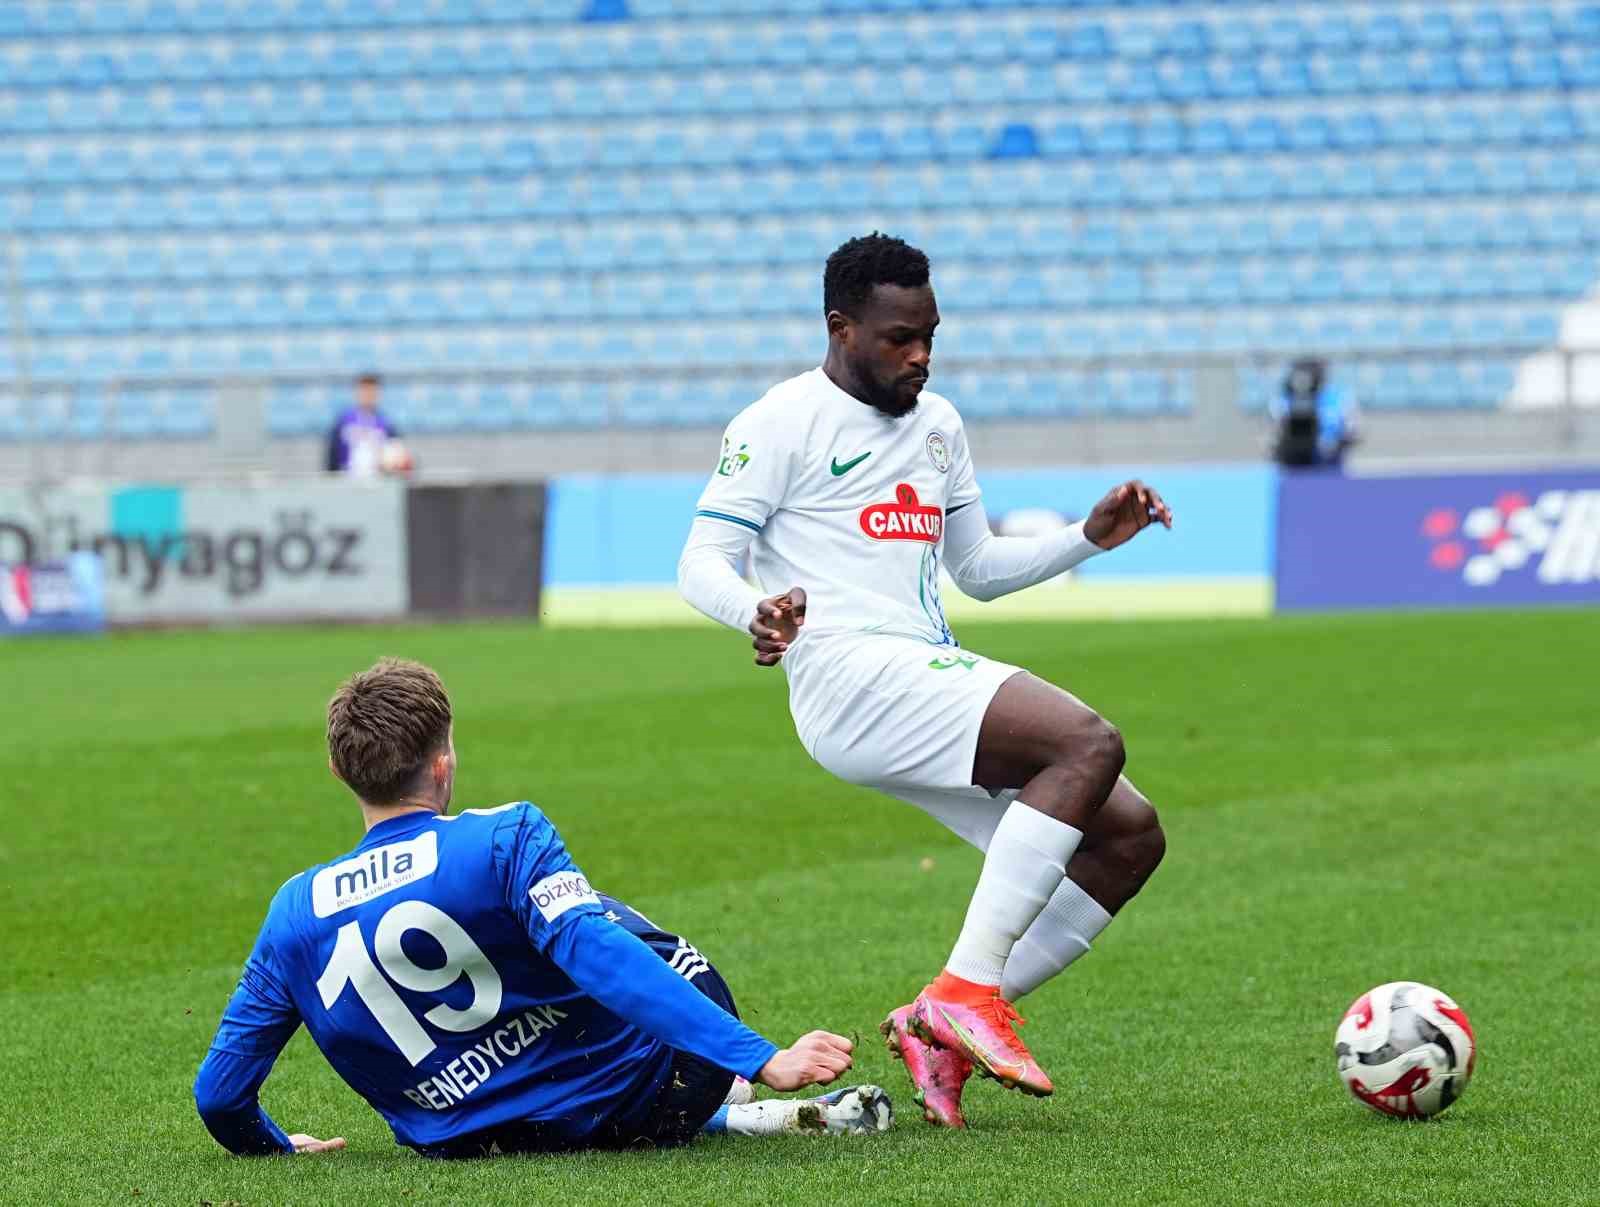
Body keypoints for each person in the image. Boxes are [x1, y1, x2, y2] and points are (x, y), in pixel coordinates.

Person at [676, 233, 1172, 1129]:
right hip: (849, 674)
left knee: (1129, 838)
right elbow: (701, 558)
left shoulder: (938, 424)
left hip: (913, 668)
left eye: (931, 335)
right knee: (1085, 741)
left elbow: (975, 567)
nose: (920, 354)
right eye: (901, 336)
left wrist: (1085, 538)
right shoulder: (778, 421)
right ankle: (965, 992)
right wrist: (754, 612)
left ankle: (935, 1025)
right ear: (841, 327)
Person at [193, 658, 891, 1159]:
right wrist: (763, 1054)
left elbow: (220, 1098)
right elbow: (599, 954)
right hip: (643, 1098)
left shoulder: (292, 910)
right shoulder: (504, 835)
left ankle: (742, 1115)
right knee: (597, 924)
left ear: (339, 773)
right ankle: (740, 1088)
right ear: (443, 764)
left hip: (474, 1138)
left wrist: (274, 1147)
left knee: (538, 931)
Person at [1269, 357, 1358, 468]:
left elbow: (1353, 430)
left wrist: (1337, 443)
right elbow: (1276, 432)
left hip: (1330, 462)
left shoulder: (1339, 397)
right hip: (1292, 462)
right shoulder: (1285, 398)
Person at [325, 372, 403, 477]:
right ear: (357, 392)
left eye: (372, 392)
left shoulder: (386, 424)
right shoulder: (343, 421)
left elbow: (395, 453)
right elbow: (332, 455)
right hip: (347, 482)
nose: (368, 396)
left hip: (377, 482)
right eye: (364, 391)